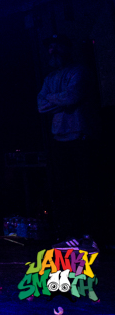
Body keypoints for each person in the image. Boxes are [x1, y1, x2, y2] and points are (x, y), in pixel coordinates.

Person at [37, 34, 94, 244]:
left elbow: (72, 97)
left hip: (79, 135)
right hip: (59, 138)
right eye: (49, 47)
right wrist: (60, 99)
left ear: (65, 48)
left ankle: (89, 231)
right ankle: (71, 232)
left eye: (55, 46)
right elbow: (40, 105)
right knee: (65, 187)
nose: (52, 51)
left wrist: (55, 99)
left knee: (85, 185)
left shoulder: (78, 71)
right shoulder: (49, 78)